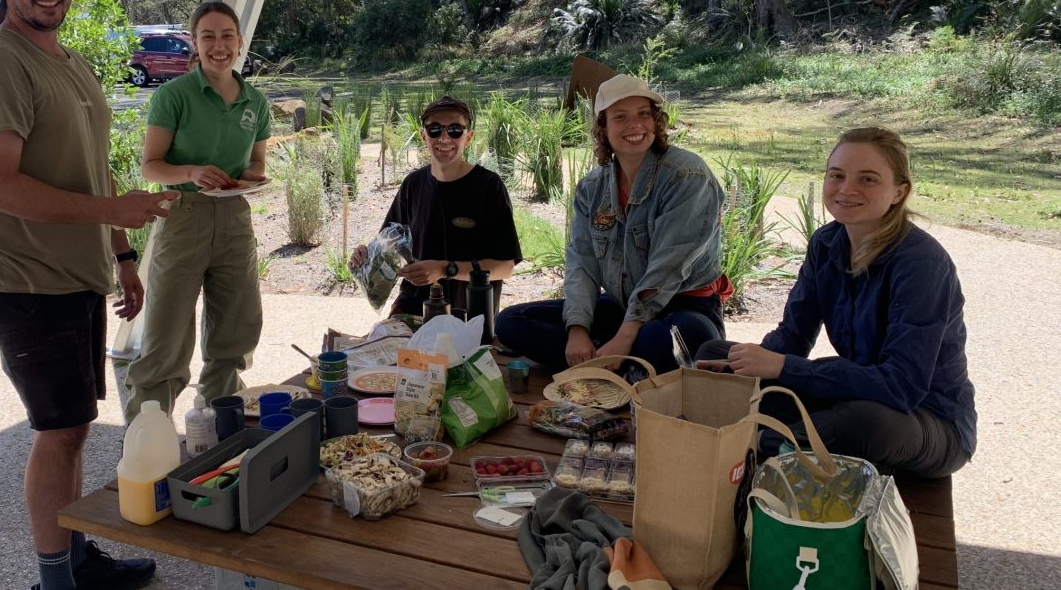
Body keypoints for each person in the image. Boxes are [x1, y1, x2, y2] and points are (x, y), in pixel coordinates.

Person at [0, 0, 174, 590]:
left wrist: (123, 253)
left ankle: (77, 559)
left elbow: (91, 171)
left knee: (75, 424)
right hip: (24, 279)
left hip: (75, 274)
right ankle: (56, 578)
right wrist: (113, 214)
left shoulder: (69, 61)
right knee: (57, 430)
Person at [695, 127, 976, 478]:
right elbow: (792, 337)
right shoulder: (826, 243)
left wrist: (783, 368)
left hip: (924, 419)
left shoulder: (921, 264)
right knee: (716, 354)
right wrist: (745, 373)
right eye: (837, 175)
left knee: (859, 424)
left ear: (898, 192)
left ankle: (752, 455)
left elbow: (900, 386)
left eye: (868, 179)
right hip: (855, 396)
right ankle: (779, 443)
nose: (847, 189)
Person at [495, 74, 731, 373]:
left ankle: (615, 357)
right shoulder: (592, 188)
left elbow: (668, 267)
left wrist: (625, 336)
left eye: (644, 114)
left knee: (668, 339)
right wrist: (577, 329)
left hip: (683, 309)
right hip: (621, 308)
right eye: (620, 117)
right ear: (603, 128)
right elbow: (582, 261)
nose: (635, 125)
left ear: (656, 122)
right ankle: (622, 364)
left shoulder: (687, 175)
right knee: (512, 322)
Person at [124, 1, 269, 422]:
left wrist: (250, 177)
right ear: (196, 44)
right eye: (208, 37)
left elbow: (258, 164)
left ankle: (219, 430)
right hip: (182, 214)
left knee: (236, 334)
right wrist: (191, 171)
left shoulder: (254, 102)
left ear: (240, 43)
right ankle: (146, 441)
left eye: (227, 36)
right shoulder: (175, 95)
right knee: (166, 339)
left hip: (234, 219)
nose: (219, 46)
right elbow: (150, 166)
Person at [350, 96, 522, 318]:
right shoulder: (413, 184)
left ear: (468, 137)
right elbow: (388, 248)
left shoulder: (489, 186)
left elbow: (505, 267)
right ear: (424, 135)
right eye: (434, 129)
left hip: (469, 313)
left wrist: (444, 269)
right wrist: (364, 257)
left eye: (454, 130)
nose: (444, 138)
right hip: (413, 307)